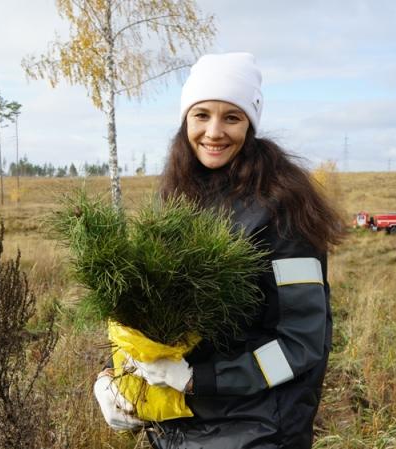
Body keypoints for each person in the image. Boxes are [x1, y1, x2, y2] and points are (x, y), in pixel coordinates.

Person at [93, 52, 344, 449]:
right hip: (177, 428)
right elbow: (146, 313)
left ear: (250, 124)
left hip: (258, 430)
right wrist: (113, 378)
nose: (214, 132)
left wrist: (199, 380)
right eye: (201, 115)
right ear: (185, 120)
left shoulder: (282, 208)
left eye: (232, 117)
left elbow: (300, 343)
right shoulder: (175, 197)